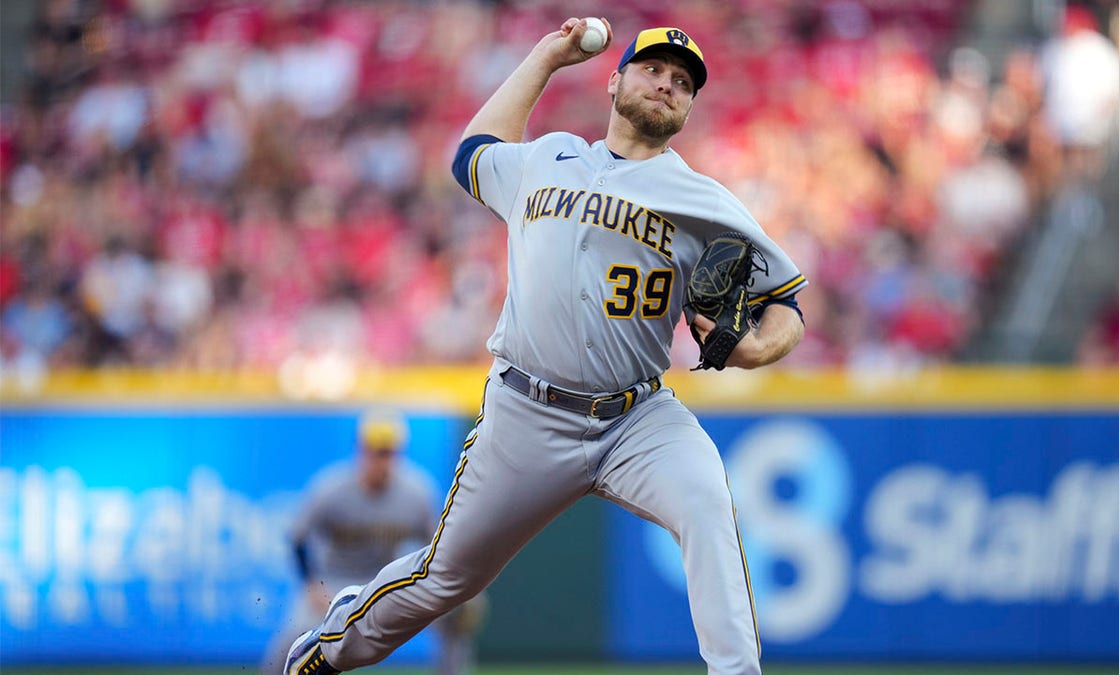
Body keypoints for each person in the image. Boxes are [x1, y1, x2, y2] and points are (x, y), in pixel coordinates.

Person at [285, 18, 807, 675]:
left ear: (689, 106)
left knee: (708, 504)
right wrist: (546, 55)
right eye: (653, 69)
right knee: (445, 578)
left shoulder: (705, 202)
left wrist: (757, 350)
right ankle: (331, 649)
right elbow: (469, 154)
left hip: (638, 418)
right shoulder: (547, 157)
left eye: (682, 82)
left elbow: (787, 304)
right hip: (527, 412)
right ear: (615, 80)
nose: (667, 84)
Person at [266, 411, 485, 675]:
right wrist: (311, 585)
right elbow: (298, 538)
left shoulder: (416, 492)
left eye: (389, 452)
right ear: (361, 451)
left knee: (453, 620)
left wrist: (458, 594)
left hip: (384, 582)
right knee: (290, 641)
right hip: (332, 582)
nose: (383, 460)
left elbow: (440, 546)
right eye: (377, 452)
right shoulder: (332, 489)